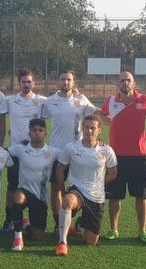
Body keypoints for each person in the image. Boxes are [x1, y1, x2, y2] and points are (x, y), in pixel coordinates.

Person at [40, 70, 101, 228]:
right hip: (56, 152)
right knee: (56, 188)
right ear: (58, 82)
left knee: (81, 188)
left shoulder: (81, 99)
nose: (65, 82)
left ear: (74, 83)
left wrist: (98, 137)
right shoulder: (50, 101)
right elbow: (38, 116)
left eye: (69, 80)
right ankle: (57, 222)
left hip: (78, 152)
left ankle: (79, 221)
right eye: (62, 79)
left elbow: (95, 117)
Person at [101, 71, 146, 242]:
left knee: (141, 196)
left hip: (139, 156)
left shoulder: (144, 99)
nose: (125, 83)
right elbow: (102, 115)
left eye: (128, 80)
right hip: (115, 157)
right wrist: (111, 123)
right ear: (118, 83)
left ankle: (142, 231)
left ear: (134, 83)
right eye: (122, 80)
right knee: (114, 196)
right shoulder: (110, 101)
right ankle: (114, 229)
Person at [53, 115, 117, 256]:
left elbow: (113, 173)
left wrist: (100, 183)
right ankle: (62, 242)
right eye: (86, 127)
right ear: (82, 128)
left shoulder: (107, 151)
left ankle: (79, 226)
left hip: (96, 195)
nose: (89, 131)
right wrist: (63, 188)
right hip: (77, 191)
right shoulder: (71, 147)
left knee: (91, 241)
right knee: (68, 201)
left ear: (99, 130)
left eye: (93, 128)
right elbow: (60, 169)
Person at [6, 118, 62, 251]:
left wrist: (99, 144)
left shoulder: (53, 152)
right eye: (34, 130)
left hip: (40, 197)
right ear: (29, 133)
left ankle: (25, 225)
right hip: (24, 191)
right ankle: (18, 237)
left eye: (40, 130)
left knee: (38, 236)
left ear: (45, 134)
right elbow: (1, 151)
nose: (37, 133)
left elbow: (71, 155)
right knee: (18, 197)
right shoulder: (20, 149)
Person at [5, 69, 46, 147]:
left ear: (33, 83)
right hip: (15, 148)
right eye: (23, 82)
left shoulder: (42, 101)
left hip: (34, 148)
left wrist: (75, 93)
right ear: (18, 84)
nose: (26, 85)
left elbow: (61, 100)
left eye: (29, 82)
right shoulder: (9, 101)